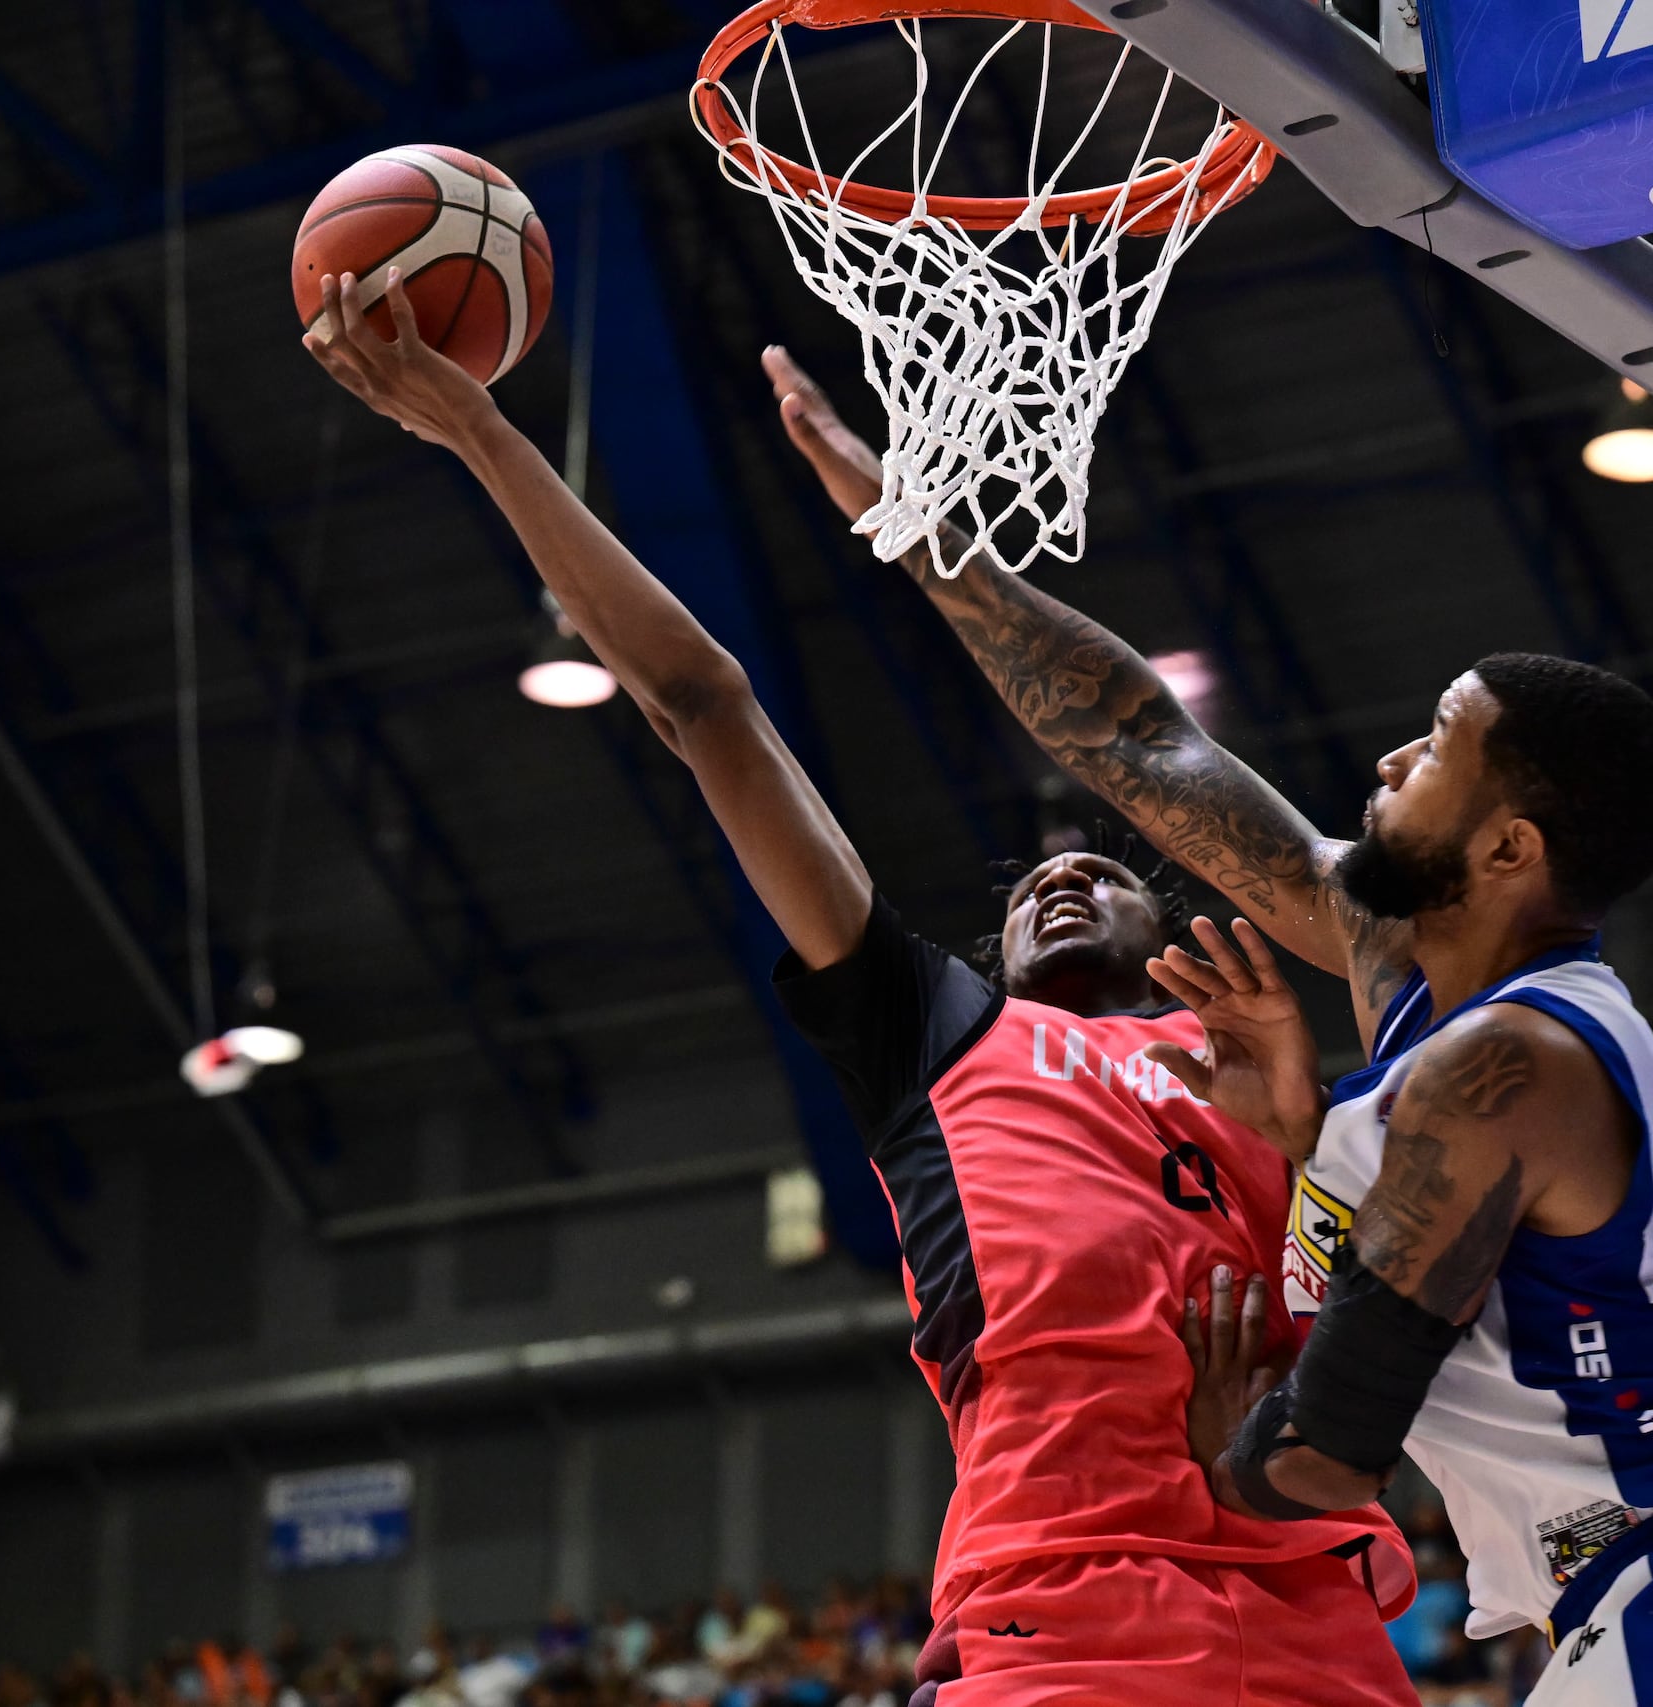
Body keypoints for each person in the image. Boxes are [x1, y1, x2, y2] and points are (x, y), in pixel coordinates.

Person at [765, 351, 1653, 1703]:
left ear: (1507, 849)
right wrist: (924, 539)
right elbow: (1146, 744)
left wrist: (1225, 1455)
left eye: (1437, 746)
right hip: (1644, 1604)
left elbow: (1328, 1449)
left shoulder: (1504, 1066)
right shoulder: (1416, 984)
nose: (1391, 761)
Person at [300, 273, 1415, 1707]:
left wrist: (1311, 1143)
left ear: (1177, 921)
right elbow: (704, 704)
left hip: (1321, 1628)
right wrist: (484, 435)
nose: (1062, 879)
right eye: (1029, 884)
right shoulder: (945, 1038)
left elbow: (1422, 1349)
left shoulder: (1294, 1095)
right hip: (1068, 1625)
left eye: (1099, 870)